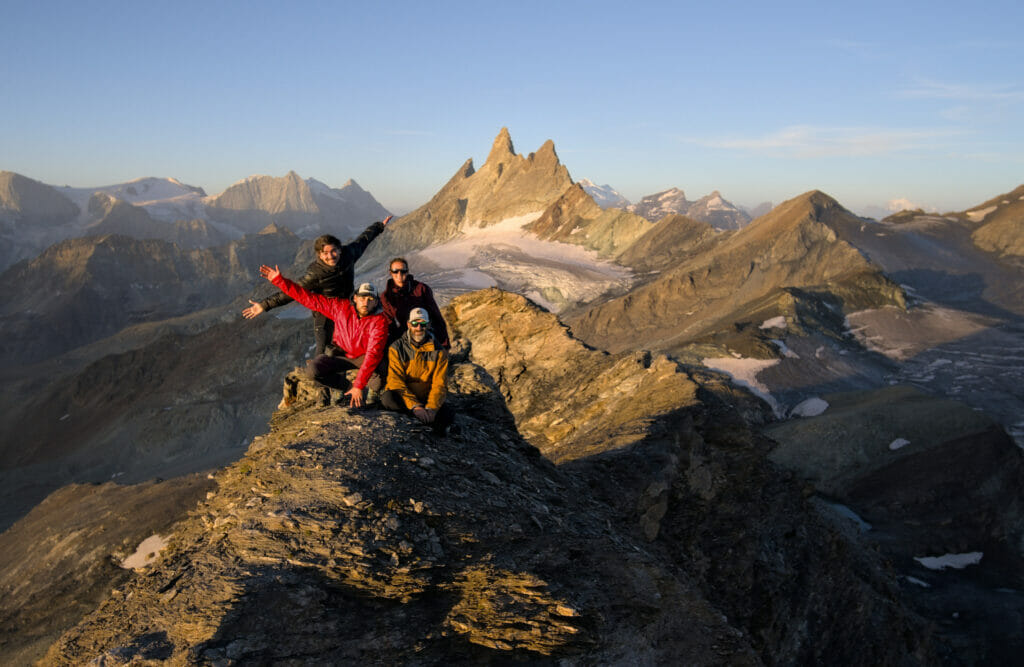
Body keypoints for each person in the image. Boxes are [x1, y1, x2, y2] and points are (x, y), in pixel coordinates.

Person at [244, 216, 392, 355]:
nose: (330, 255)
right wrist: (264, 305)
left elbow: (363, 240)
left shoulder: (349, 254)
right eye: (325, 253)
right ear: (319, 255)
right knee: (322, 349)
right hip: (324, 311)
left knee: (352, 343)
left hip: (347, 308)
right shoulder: (315, 273)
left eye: (333, 250)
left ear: (340, 249)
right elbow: (294, 292)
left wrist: (379, 226)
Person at [260, 264, 388, 408]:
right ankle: (345, 388)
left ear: (376, 302)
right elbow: (309, 299)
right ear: (356, 298)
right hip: (341, 353)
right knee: (313, 370)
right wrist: (280, 281)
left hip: (362, 357)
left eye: (370, 299)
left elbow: (373, 353)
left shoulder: (380, 321)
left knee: (380, 369)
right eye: (363, 298)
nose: (366, 302)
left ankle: (372, 393)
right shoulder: (340, 308)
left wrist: (359, 385)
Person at [381, 307, 455, 435]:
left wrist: (431, 408)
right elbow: (395, 381)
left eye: (423, 324)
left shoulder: (439, 351)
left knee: (447, 412)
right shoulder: (396, 348)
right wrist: (415, 406)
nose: (419, 328)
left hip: (425, 397)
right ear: (409, 324)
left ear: (429, 325)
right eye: (415, 323)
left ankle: (422, 421)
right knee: (388, 398)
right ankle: (425, 422)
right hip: (405, 398)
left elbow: (440, 383)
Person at [379, 257, 449, 347]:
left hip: (423, 331)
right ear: (390, 273)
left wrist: (445, 345)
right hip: (403, 334)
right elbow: (389, 322)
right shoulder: (386, 296)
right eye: (395, 271)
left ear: (407, 272)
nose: (399, 274)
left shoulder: (421, 289)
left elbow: (436, 316)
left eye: (403, 271)